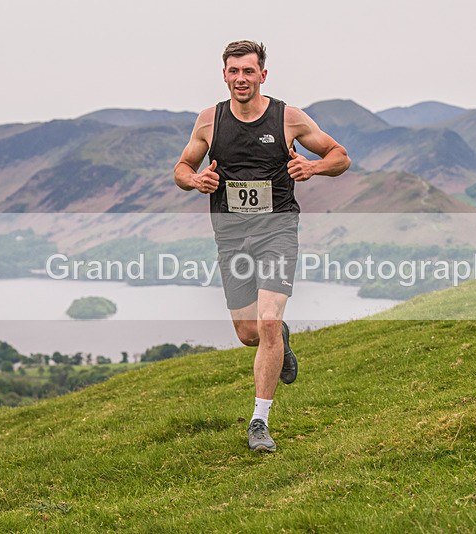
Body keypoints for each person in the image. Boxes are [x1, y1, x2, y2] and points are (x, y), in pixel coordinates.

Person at [173, 40, 350, 452]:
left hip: (277, 231)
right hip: (232, 236)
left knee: (267, 321)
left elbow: (340, 156)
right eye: (233, 71)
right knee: (249, 332)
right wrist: (196, 181)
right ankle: (280, 338)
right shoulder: (208, 121)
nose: (240, 79)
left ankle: (259, 422)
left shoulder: (287, 117)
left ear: (262, 75)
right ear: (224, 75)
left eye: (248, 71)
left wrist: (314, 166)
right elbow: (182, 168)